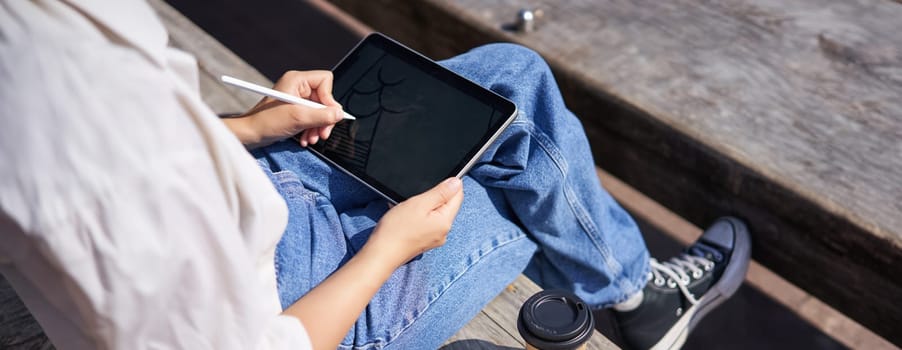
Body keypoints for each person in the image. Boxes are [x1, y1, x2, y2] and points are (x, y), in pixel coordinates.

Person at [0, 1, 750, 349]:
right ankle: (633, 302)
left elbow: (146, 143)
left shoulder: (44, 36)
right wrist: (389, 249)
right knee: (510, 181)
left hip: (262, 196)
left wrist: (251, 129)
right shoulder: (66, 142)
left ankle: (626, 293)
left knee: (508, 81)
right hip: (313, 301)